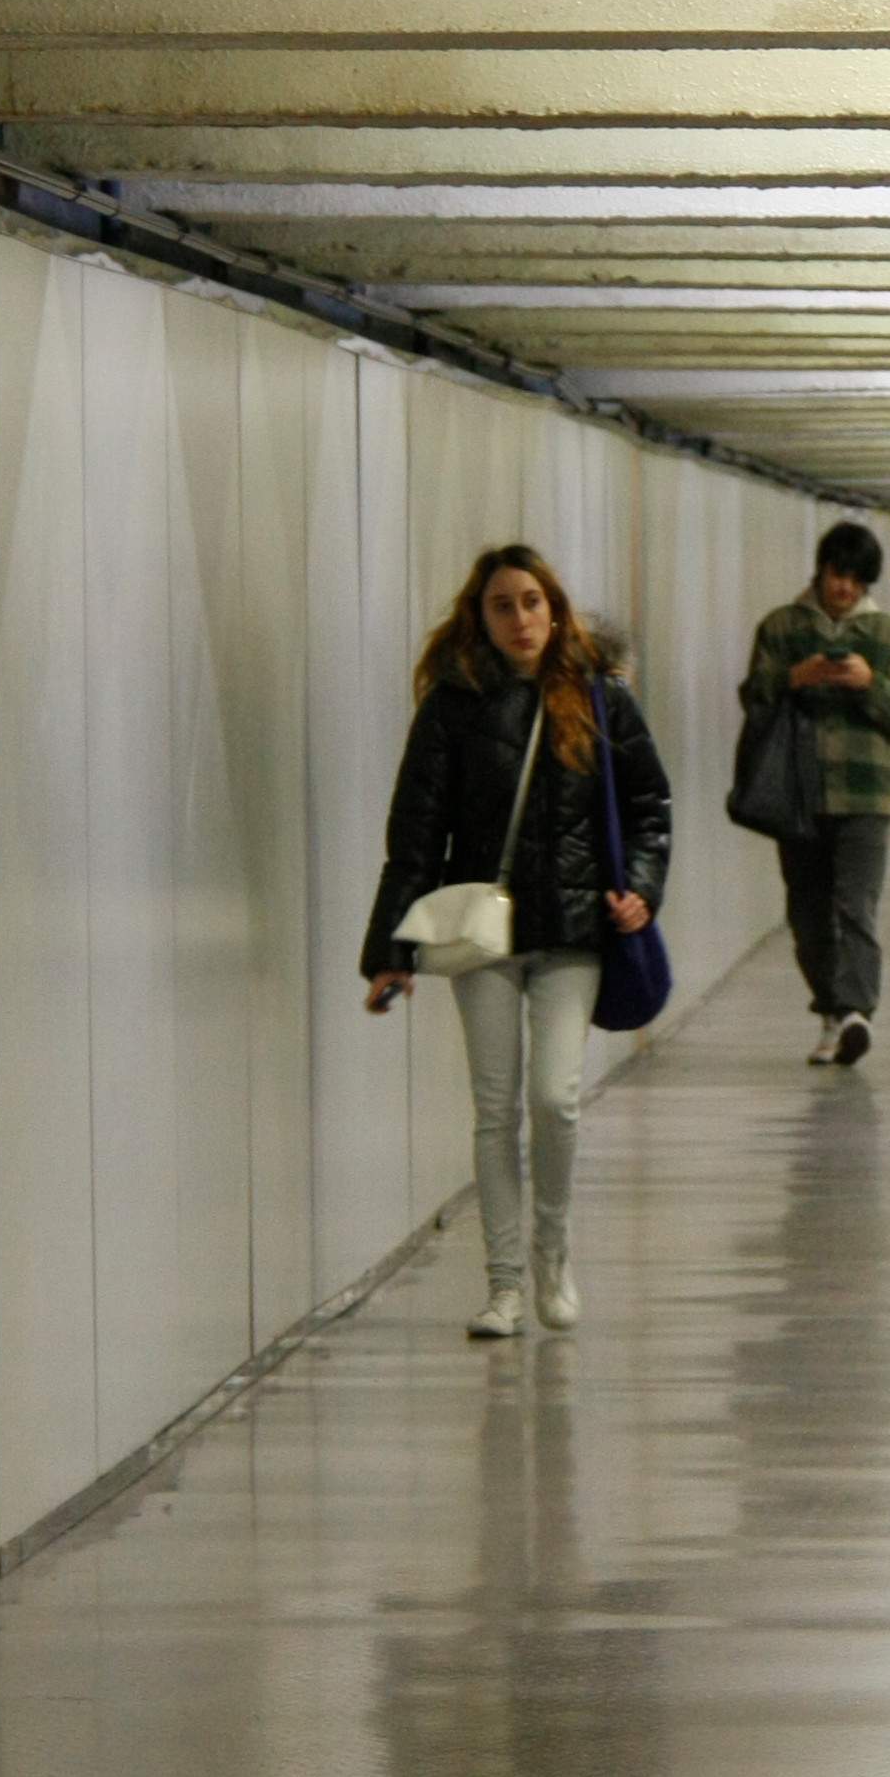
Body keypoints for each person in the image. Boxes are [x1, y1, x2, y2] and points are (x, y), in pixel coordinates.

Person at [362, 545, 672, 1341]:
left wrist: (641, 886)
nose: (521, 619)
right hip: (484, 935)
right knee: (495, 1110)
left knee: (554, 1100)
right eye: (503, 605)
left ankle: (553, 1252)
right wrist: (391, 954)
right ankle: (503, 1286)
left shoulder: (602, 700)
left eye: (532, 602)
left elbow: (649, 805)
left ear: (556, 609)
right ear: (481, 617)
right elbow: (417, 831)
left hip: (574, 931)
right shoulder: (454, 705)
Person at [743, 520, 890, 1066]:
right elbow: (754, 698)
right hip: (797, 791)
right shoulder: (781, 627)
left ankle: (856, 1013)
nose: (843, 588)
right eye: (835, 575)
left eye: (855, 579)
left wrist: (871, 684)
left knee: (856, 906)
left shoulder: (886, 635)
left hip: (866, 793)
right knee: (807, 912)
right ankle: (831, 1011)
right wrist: (794, 679)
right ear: (819, 571)